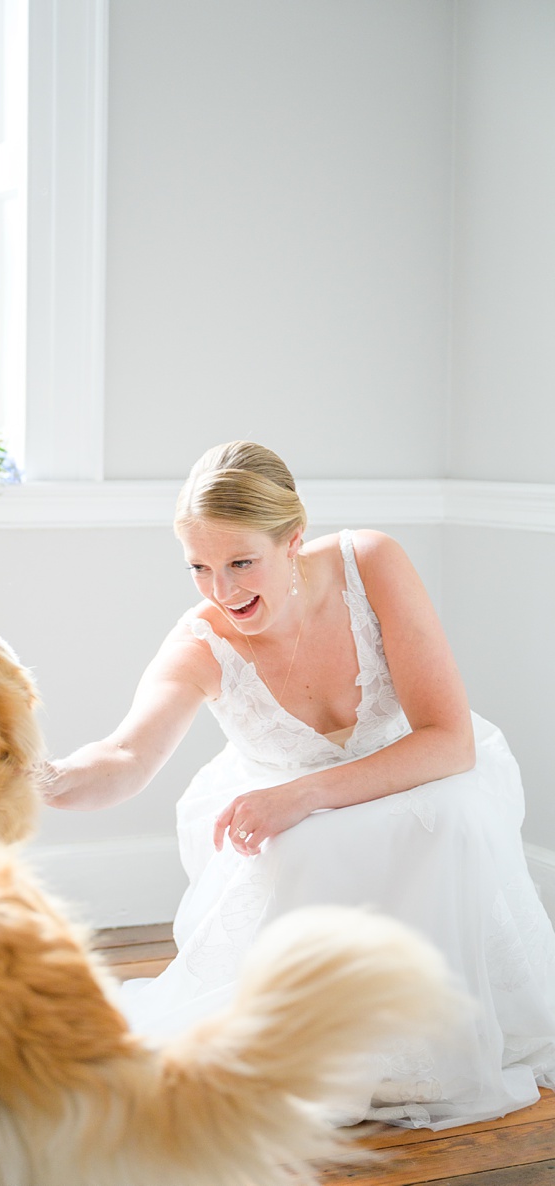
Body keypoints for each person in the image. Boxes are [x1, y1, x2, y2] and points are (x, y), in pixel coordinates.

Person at [41, 440, 555, 1127]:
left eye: (241, 562)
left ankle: (442, 1030)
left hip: (412, 773)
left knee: (453, 811)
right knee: (305, 847)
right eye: (199, 567)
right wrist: (49, 779)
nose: (222, 591)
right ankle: (332, 1043)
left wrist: (303, 795)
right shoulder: (201, 642)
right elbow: (126, 756)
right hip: (300, 820)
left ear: (294, 540)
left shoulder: (370, 564)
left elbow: (448, 741)